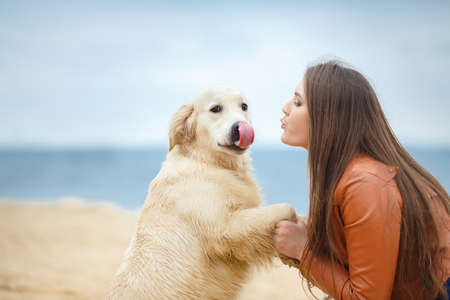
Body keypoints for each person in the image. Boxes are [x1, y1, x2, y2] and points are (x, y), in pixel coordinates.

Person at [273, 60, 449, 300]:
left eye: (298, 102)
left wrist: (303, 249)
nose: (285, 108)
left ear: (329, 116)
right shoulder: (347, 174)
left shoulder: (365, 182)